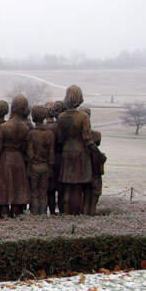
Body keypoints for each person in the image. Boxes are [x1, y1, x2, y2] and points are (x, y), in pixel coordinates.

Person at [57, 85, 93, 215]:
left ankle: (65, 213)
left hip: (66, 151)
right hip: (80, 152)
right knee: (77, 187)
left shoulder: (61, 117)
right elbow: (87, 138)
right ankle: (74, 216)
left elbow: (60, 138)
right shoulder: (83, 117)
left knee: (67, 186)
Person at [0, 94, 30, 218]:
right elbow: (25, 149)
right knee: (16, 189)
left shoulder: (4, 127)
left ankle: (4, 216)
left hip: (5, 159)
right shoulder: (25, 128)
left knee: (4, 188)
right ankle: (15, 216)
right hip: (18, 159)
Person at [25, 105, 55, 215]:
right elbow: (51, 155)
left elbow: (30, 154)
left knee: (34, 193)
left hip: (34, 166)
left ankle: (34, 214)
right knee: (44, 193)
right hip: (46, 166)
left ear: (33, 117)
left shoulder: (31, 134)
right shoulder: (50, 134)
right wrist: (51, 168)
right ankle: (42, 214)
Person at [80, 107, 106, 216]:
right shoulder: (96, 135)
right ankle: (89, 214)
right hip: (92, 170)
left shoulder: (79, 137)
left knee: (86, 195)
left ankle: (86, 215)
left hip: (86, 168)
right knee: (92, 194)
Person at [46, 101, 66, 214]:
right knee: (62, 188)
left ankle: (52, 211)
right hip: (63, 158)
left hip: (52, 159)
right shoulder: (66, 128)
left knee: (51, 189)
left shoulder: (50, 128)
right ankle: (63, 211)